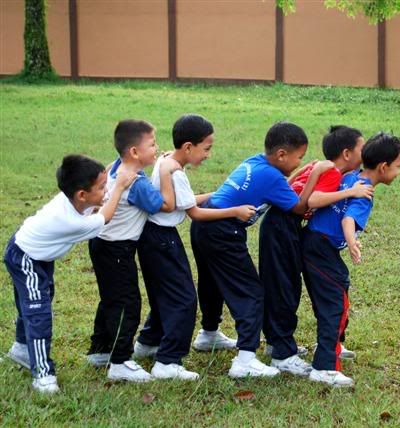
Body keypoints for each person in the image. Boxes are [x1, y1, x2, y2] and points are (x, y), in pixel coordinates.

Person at [191, 121, 332, 378]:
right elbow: (300, 207)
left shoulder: (256, 162)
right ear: (281, 155)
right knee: (252, 293)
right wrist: (314, 174)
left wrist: (298, 175)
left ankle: (208, 334)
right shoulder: (271, 176)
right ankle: (245, 359)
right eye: (298, 158)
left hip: (204, 224)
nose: (299, 163)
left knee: (212, 282)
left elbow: (279, 186)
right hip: (224, 231)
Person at [133, 114, 254, 380]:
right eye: (207, 148)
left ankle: (148, 343)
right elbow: (195, 213)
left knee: (166, 293)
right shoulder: (175, 172)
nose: (208, 155)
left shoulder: (167, 161)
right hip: (163, 239)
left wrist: (216, 194)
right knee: (183, 298)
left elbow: (182, 202)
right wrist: (235, 210)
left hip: (152, 238)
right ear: (188, 147)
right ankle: (168, 361)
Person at [4, 155, 136, 393]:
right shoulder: (68, 219)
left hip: (37, 254)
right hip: (26, 258)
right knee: (38, 312)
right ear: (82, 195)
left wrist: (119, 162)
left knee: (35, 302)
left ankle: (21, 349)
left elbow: (99, 188)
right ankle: (43, 374)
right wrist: (119, 186)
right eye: (101, 187)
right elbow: (105, 217)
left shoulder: (73, 199)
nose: (105, 190)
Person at [260, 125, 372, 375]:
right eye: (362, 149)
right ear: (346, 153)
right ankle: (282, 353)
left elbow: (292, 185)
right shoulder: (331, 171)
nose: (365, 154)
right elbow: (311, 202)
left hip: (283, 225)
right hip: (282, 225)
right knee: (284, 288)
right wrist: (351, 191)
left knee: (285, 286)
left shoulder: (325, 167)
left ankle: (278, 343)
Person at [302, 132, 400, 387]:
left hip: (313, 243)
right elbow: (348, 219)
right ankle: (324, 367)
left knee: (337, 291)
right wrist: (351, 242)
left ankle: (332, 344)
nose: (398, 172)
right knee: (336, 301)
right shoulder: (365, 192)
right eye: (398, 167)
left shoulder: (351, 177)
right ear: (383, 167)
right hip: (320, 247)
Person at [86, 119, 177, 383]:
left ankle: (101, 350)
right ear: (135, 152)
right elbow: (167, 205)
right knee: (127, 302)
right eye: (152, 144)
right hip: (118, 249)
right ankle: (121, 361)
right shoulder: (137, 183)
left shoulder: (116, 167)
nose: (157, 148)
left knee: (110, 298)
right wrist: (165, 171)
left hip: (101, 244)